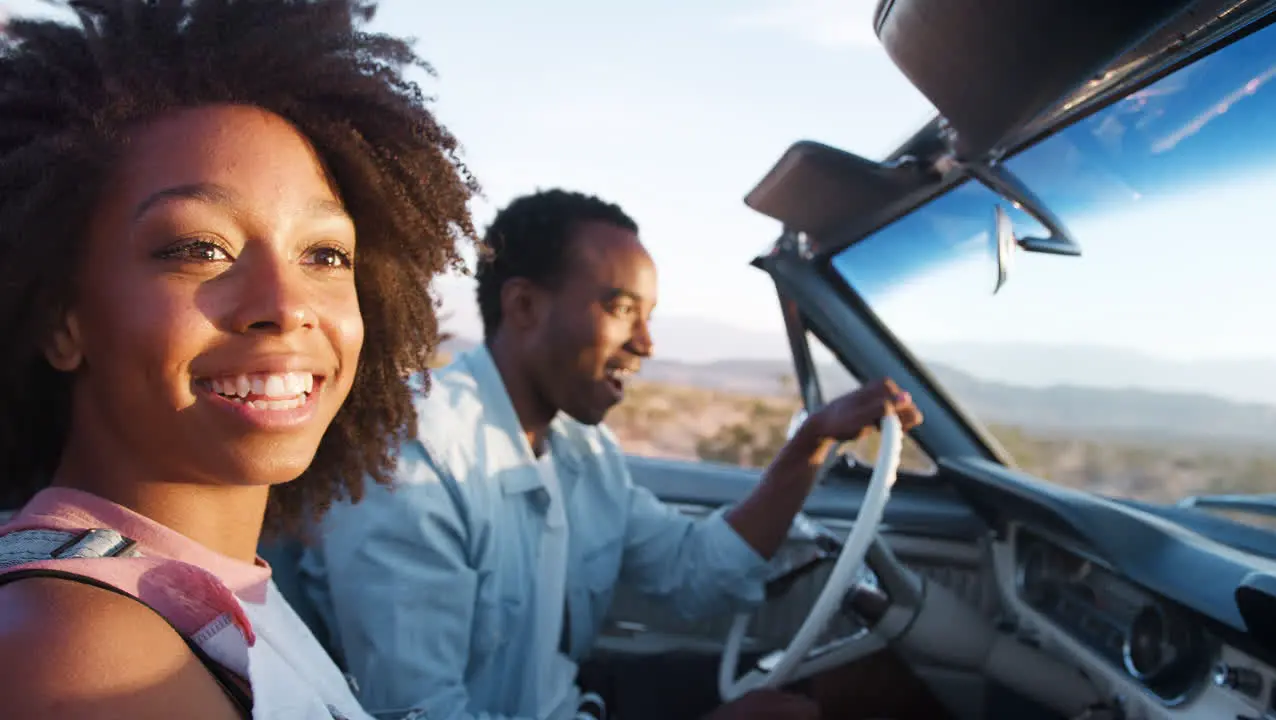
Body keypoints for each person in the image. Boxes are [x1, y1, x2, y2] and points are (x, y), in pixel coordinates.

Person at [0, 1, 478, 718]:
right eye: (200, 249)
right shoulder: (88, 654)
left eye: (325, 254)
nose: (287, 305)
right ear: (61, 321)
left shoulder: (216, 593)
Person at [298, 189, 924, 720]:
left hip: (568, 698)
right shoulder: (414, 459)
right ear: (523, 307)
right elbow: (422, 714)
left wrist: (808, 445)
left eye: (648, 316)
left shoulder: (580, 445)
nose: (646, 344)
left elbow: (694, 573)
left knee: (862, 681)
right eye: (622, 309)